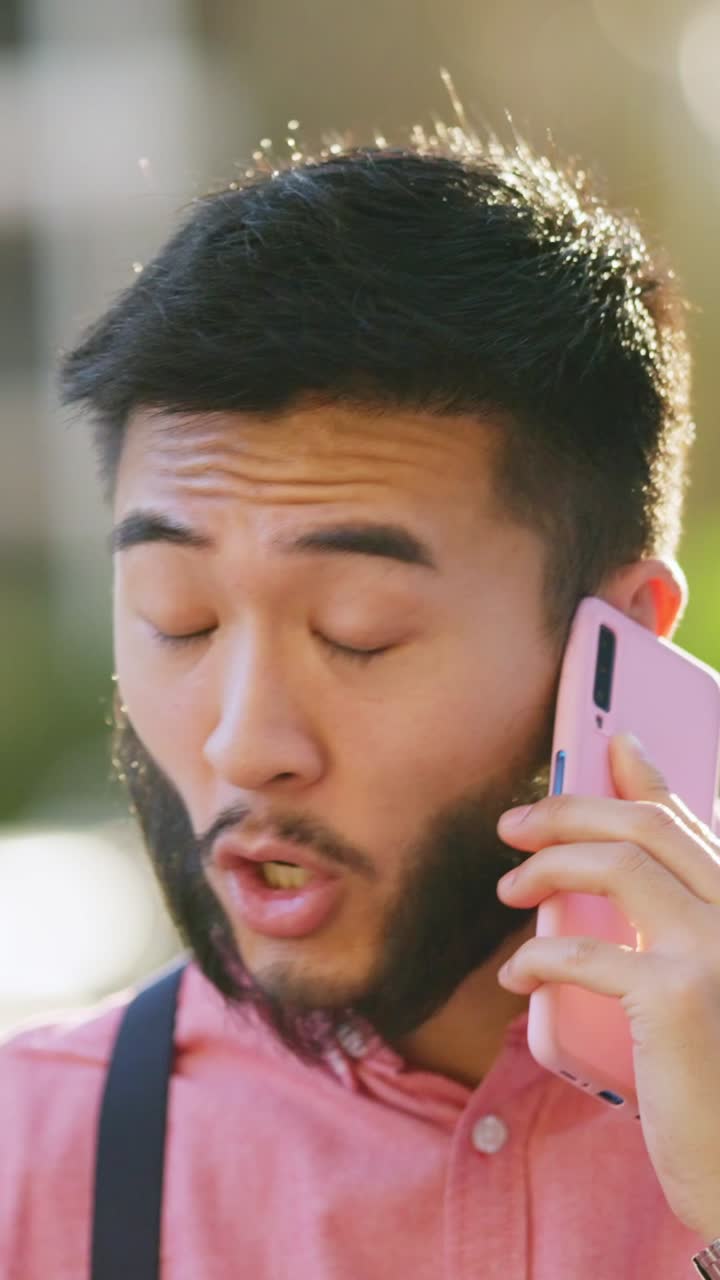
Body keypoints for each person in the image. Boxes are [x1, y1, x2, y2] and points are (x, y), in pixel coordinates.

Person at [2, 130, 720, 1280]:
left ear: (619, 638)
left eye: (358, 630)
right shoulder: (31, 1162)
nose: (244, 742)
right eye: (178, 615)